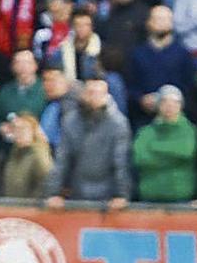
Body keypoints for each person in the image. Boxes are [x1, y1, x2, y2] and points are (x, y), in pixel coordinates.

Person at [45, 76, 132, 210]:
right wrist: (53, 192)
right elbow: (62, 160)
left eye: (98, 93)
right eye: (90, 92)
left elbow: (120, 161)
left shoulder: (118, 124)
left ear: (106, 96)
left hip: (107, 196)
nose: (93, 97)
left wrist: (122, 194)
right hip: (77, 192)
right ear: (83, 94)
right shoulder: (70, 121)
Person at [132, 85, 197, 203]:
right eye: (164, 102)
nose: (169, 106)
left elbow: (186, 152)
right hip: (149, 197)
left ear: (181, 106)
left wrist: (155, 148)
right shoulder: (145, 132)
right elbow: (139, 158)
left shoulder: (189, 130)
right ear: (158, 105)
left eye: (174, 102)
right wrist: (173, 158)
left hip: (180, 198)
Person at [1, 113, 53, 199]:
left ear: (33, 131)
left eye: (23, 129)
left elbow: (46, 181)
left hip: (31, 208)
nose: (18, 133)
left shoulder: (39, 154)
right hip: (11, 207)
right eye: (15, 129)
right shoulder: (14, 154)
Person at [0, 50, 47, 124]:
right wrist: (1, 127)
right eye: (18, 63)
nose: (23, 67)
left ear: (35, 65)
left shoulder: (46, 88)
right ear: (12, 66)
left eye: (27, 63)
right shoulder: (5, 91)